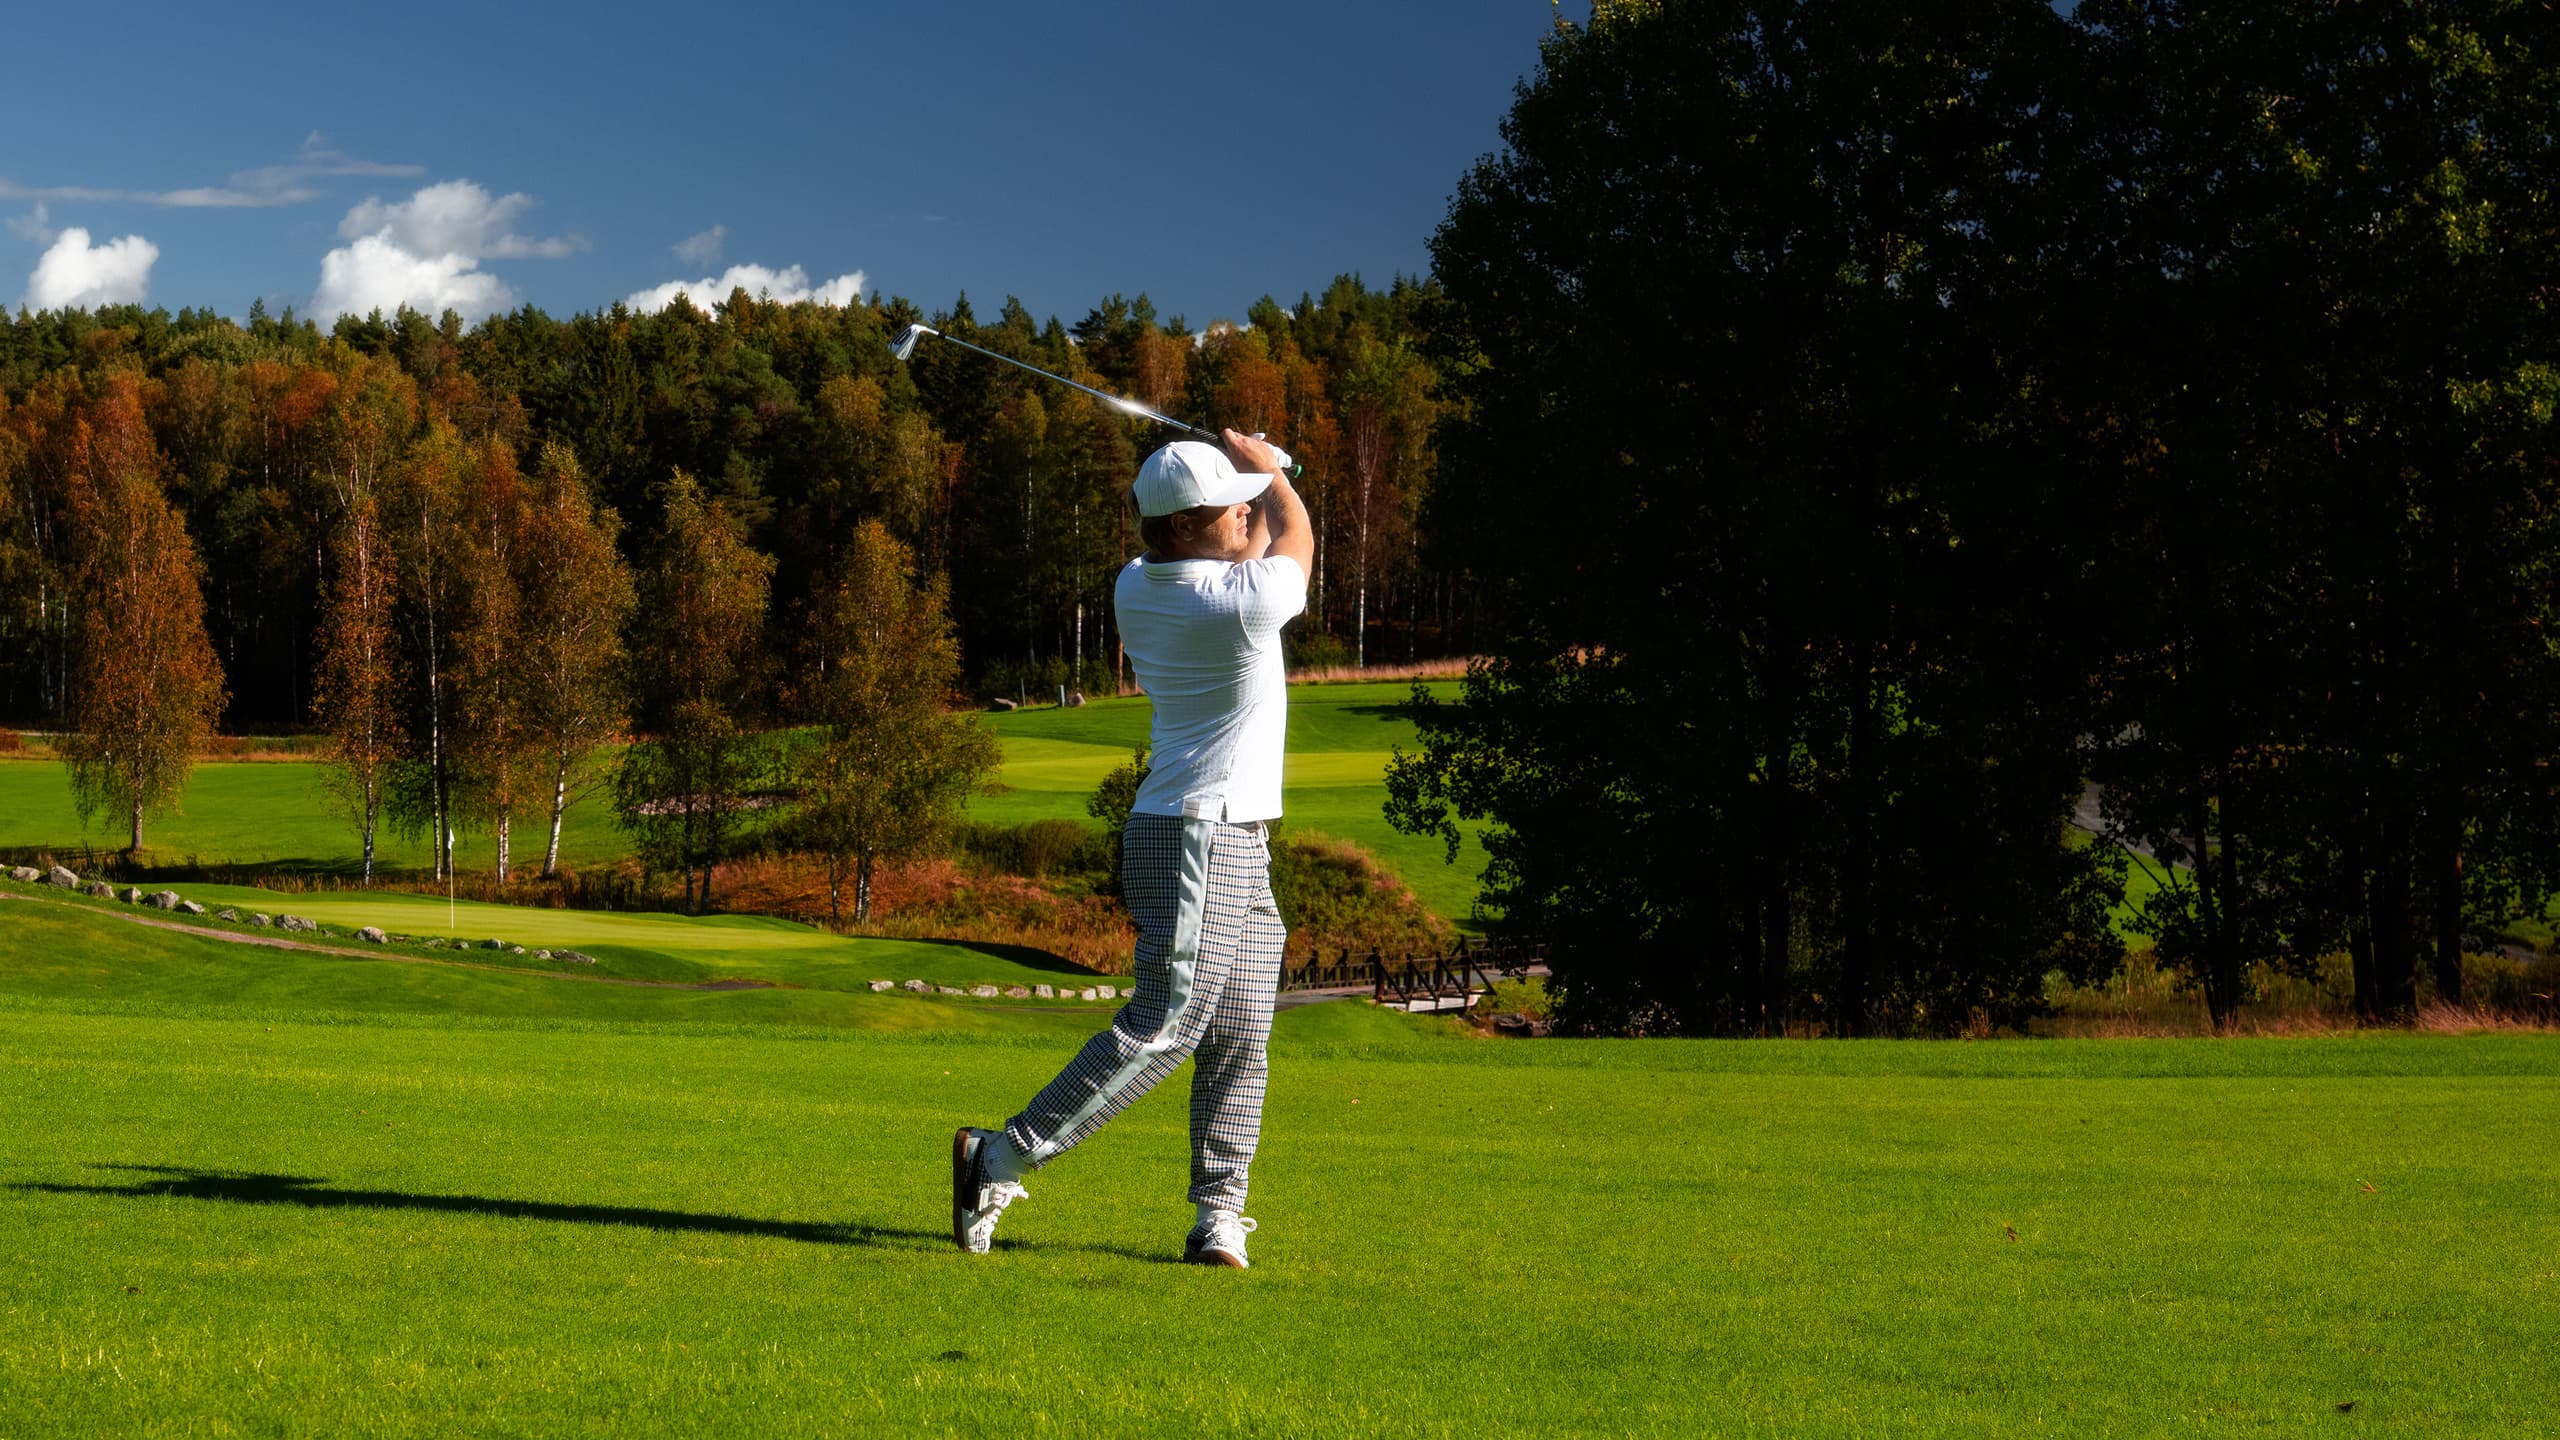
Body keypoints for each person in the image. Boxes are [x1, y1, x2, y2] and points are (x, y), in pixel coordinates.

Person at [952, 429, 1310, 1269]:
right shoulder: (1237, 603)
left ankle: (1218, 1213)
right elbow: (1290, 538)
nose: (1246, 510)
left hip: (1233, 837)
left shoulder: (1140, 582)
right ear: (1187, 528)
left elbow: (1250, 547)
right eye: (1231, 506)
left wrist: (1249, 477)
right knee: (1168, 1025)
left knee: (1242, 1031)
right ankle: (998, 1158)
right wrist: (1282, 473)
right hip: (1196, 832)